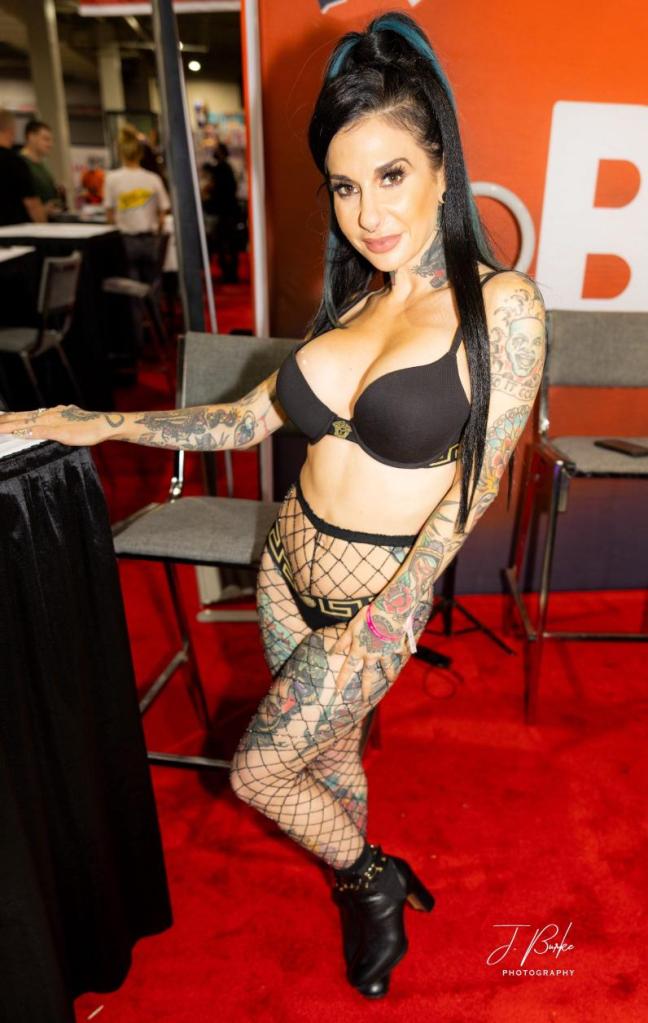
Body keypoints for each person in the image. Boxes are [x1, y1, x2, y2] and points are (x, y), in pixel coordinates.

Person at [0, 12, 546, 999]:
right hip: (286, 570)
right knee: (327, 756)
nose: (368, 212)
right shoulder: (357, 301)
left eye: (391, 175)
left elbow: (481, 480)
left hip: (378, 599)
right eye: (345, 185)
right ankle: (366, 888)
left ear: (440, 167)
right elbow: (246, 421)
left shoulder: (501, 307)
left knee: (259, 772)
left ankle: (370, 874)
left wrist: (394, 612)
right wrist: (94, 421)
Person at [104, 124, 170, 286]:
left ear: (120, 152)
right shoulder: (153, 178)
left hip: (125, 241)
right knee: (152, 286)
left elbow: (110, 216)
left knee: (131, 288)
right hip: (151, 240)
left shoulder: (111, 178)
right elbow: (163, 214)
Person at [202, 141, 240, 283]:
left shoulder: (221, 169)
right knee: (229, 244)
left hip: (223, 212)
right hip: (228, 211)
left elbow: (215, 188)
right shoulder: (226, 168)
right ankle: (230, 272)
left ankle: (229, 272)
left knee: (224, 244)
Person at [0, 108, 46, 225]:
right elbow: (32, 204)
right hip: (14, 230)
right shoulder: (15, 162)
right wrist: (44, 228)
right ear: (11, 131)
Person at [20, 119, 64, 216]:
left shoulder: (43, 165)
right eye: (46, 139)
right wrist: (42, 210)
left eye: (52, 140)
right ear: (31, 137)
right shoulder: (19, 164)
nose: (50, 144)